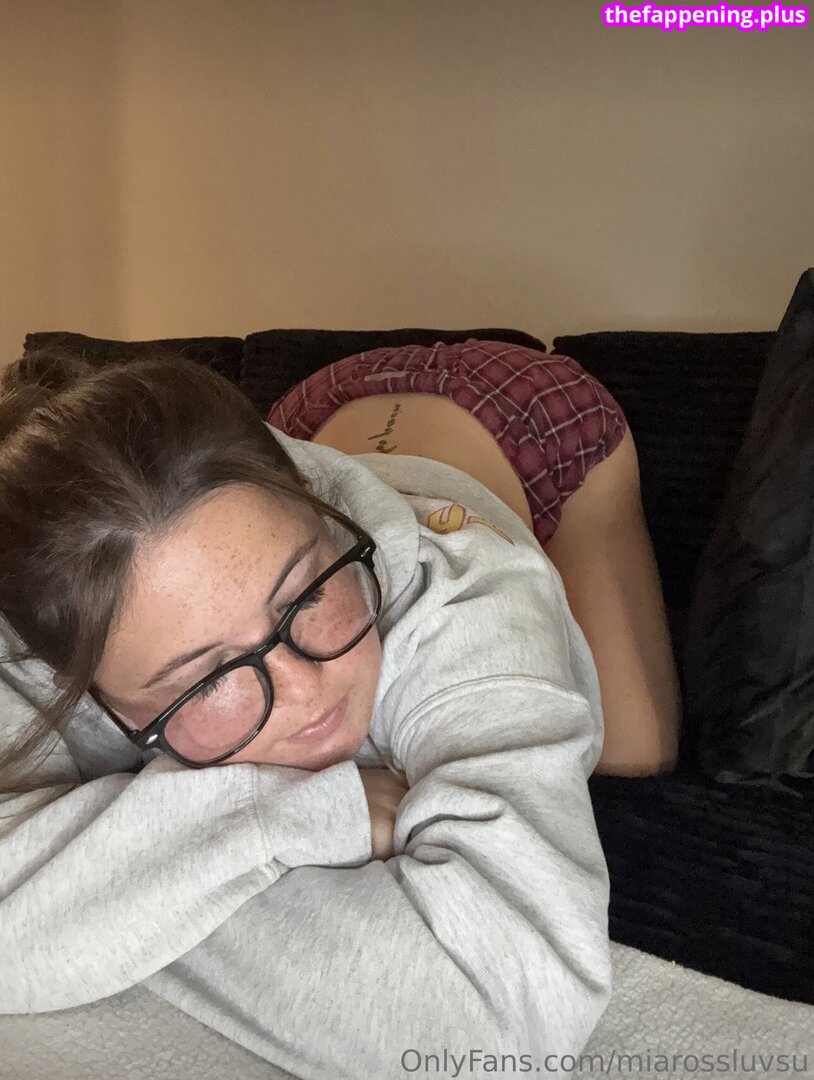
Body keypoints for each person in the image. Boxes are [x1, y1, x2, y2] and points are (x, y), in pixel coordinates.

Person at [0, 347, 613, 1078]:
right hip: (316, 418)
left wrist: (98, 897)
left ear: (321, 508)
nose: (304, 690)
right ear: (73, 686)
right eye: (208, 679)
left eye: (308, 593)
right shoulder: (26, 637)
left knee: (636, 743)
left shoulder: (465, 591)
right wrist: (275, 815)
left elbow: (507, 1028)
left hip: (519, 414)